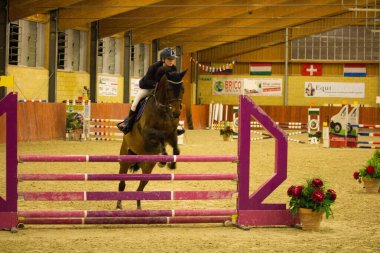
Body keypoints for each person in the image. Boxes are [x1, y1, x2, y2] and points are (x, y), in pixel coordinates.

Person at [117, 48, 185, 135]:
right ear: (163, 59)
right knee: (135, 104)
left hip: (162, 92)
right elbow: (147, 81)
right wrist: (157, 85)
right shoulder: (154, 66)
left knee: (173, 104)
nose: (171, 61)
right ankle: (128, 124)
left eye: (173, 59)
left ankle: (177, 125)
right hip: (147, 88)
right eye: (169, 59)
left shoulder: (173, 68)